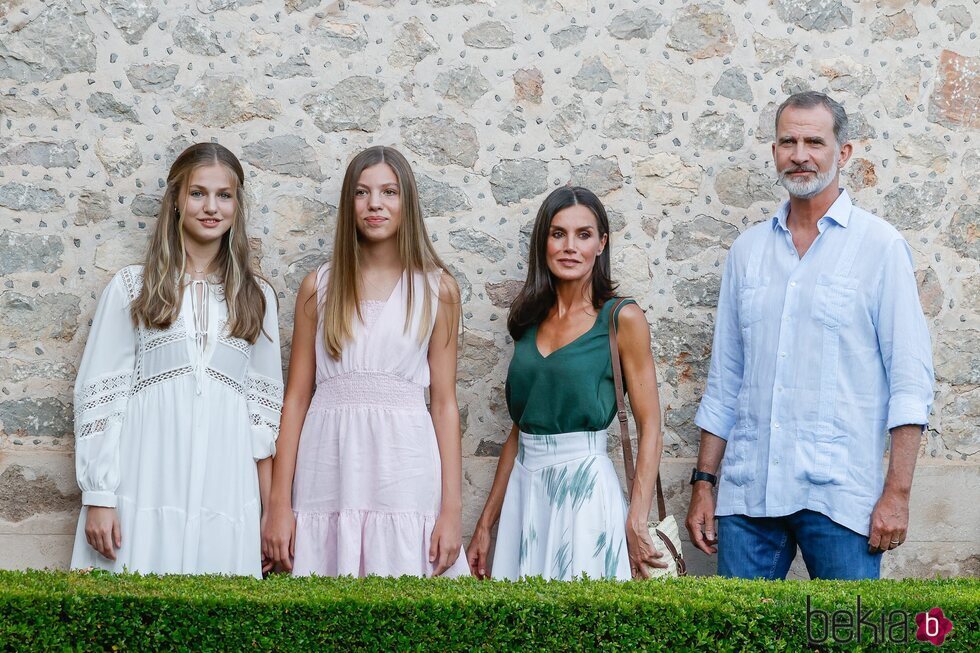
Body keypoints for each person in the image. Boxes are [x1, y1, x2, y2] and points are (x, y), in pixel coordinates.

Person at [685, 91, 935, 580]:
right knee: (738, 637)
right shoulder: (747, 252)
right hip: (748, 496)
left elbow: (910, 382)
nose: (800, 155)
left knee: (849, 636)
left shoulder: (880, 248)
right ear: (775, 151)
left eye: (814, 141)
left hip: (841, 499)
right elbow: (725, 381)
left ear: (843, 153)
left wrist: (897, 494)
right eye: (787, 141)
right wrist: (704, 482)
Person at [70, 143, 283, 577]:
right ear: (175, 202)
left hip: (226, 488)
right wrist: (99, 496)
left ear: (237, 205)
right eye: (198, 193)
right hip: (144, 480)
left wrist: (267, 512)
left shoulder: (257, 298)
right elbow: (101, 392)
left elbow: (262, 418)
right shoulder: (133, 287)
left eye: (224, 195)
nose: (211, 207)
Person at [262, 146, 468, 578]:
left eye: (389, 192)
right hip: (328, 467)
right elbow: (296, 398)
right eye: (362, 192)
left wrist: (451, 511)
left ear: (406, 202)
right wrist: (279, 505)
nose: (375, 204)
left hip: (404, 467)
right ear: (348, 204)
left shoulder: (437, 290)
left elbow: (445, 405)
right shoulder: (319, 287)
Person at [466, 186, 666, 581]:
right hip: (527, 491)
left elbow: (651, 426)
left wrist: (637, 520)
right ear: (544, 243)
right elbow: (520, 431)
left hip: (586, 489)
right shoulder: (528, 321)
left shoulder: (621, 318)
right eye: (558, 234)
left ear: (601, 243)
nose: (570, 246)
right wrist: (486, 524)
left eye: (583, 234)